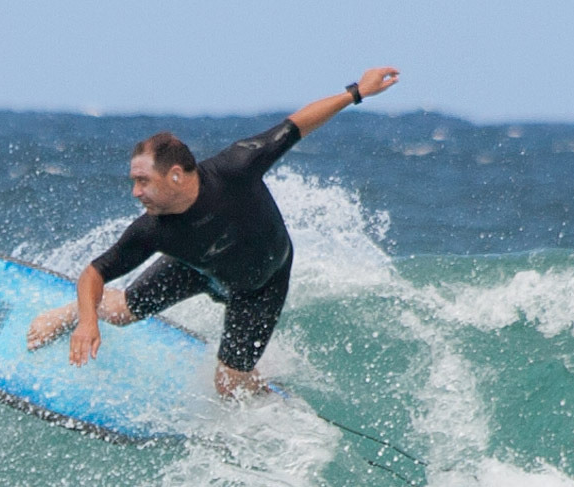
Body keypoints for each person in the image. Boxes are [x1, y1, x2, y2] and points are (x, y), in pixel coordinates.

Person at [27, 66, 400, 396]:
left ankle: (269, 397)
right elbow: (94, 272)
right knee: (122, 310)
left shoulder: (236, 168)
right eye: (133, 182)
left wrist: (357, 92)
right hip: (197, 270)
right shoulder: (151, 230)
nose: (135, 192)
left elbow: (297, 124)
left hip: (260, 287)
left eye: (143, 181)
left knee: (228, 387)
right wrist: (88, 322)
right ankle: (68, 315)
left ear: (175, 175)